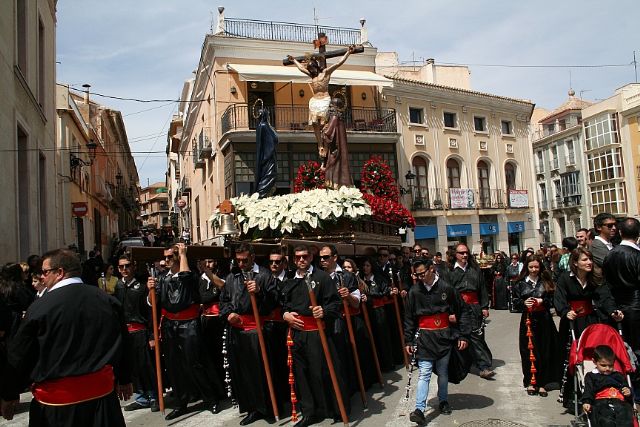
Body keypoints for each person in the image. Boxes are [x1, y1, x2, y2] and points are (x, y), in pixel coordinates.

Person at [0, 249, 132, 426]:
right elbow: (124, 343)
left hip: (59, 409)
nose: (42, 278)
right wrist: (125, 378)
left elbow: (19, 355)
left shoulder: (39, 308)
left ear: (60, 272)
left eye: (45, 272)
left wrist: (9, 395)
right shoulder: (107, 300)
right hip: (100, 401)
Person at [147, 243, 224, 420]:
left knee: (195, 362)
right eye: (165, 257)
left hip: (189, 324)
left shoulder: (190, 274)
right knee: (174, 365)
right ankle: (181, 403)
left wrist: (183, 255)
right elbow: (153, 303)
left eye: (170, 257)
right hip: (169, 325)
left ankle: (210, 398)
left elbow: (185, 278)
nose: (166, 260)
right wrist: (150, 289)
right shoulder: (160, 277)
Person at [281, 245, 346, 427]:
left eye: (305, 256)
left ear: (311, 258)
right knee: (301, 374)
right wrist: (285, 315)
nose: (301, 260)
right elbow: (283, 304)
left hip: (318, 334)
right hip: (297, 334)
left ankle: (334, 409)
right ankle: (309, 412)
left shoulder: (322, 277)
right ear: (294, 260)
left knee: (323, 373)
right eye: (298, 257)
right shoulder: (289, 280)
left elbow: (335, 304)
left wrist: (323, 310)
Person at [554, 247, 623, 409]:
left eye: (590, 259)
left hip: (591, 321)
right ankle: (571, 396)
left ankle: (597, 391)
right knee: (572, 356)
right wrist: (565, 311)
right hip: (572, 321)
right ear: (575, 263)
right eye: (585, 260)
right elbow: (559, 299)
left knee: (592, 354)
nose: (589, 262)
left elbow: (605, 297)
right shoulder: (565, 278)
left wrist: (613, 311)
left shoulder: (596, 278)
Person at [405, 258, 470, 425]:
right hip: (424, 337)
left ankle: (443, 400)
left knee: (443, 372)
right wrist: (408, 340)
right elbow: (409, 318)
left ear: (431, 269)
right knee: (424, 373)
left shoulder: (447, 288)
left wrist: (462, 335)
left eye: (422, 273)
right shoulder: (414, 291)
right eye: (416, 275)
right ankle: (419, 409)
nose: (419, 277)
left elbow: (462, 310)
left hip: (444, 336)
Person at [220, 243, 278, 425]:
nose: (242, 264)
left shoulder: (264, 274)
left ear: (252, 257)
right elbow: (224, 300)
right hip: (237, 331)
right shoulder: (232, 276)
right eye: (238, 261)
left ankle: (267, 408)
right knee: (243, 372)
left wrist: (260, 293)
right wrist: (228, 314)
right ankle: (251, 408)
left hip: (257, 330)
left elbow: (274, 301)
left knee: (262, 371)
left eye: (245, 260)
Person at [288, 46, 355, 156]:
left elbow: (338, 63)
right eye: (310, 69)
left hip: (324, 99)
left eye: (312, 68)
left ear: (316, 67)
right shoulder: (311, 75)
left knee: (323, 123)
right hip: (315, 100)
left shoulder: (326, 73)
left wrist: (348, 52)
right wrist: (294, 60)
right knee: (314, 123)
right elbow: (301, 68)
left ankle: (327, 145)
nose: (311, 70)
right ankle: (320, 145)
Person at [113, 255, 158, 413]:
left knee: (146, 366)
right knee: (132, 367)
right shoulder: (118, 286)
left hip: (140, 331)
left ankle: (153, 396)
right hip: (125, 333)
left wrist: (152, 335)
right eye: (121, 267)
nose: (124, 269)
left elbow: (150, 312)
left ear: (133, 267)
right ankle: (141, 397)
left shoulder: (142, 286)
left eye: (127, 266)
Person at [511, 255, 561, 397]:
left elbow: (552, 300)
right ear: (526, 267)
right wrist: (523, 304)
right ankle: (530, 382)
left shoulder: (546, 282)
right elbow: (514, 302)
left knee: (545, 351)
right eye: (531, 267)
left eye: (536, 267)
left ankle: (543, 383)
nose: (534, 270)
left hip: (544, 320)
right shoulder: (520, 283)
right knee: (529, 352)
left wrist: (542, 301)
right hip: (528, 320)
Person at [448, 243, 495, 379]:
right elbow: (447, 293)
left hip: (474, 307)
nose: (464, 255)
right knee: (460, 337)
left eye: (466, 253)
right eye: (461, 253)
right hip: (457, 308)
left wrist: (484, 306)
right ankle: (462, 364)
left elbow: (482, 289)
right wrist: (450, 312)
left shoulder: (475, 270)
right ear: (455, 255)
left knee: (477, 336)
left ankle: (484, 366)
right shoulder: (449, 272)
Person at [602, 218, 640, 374]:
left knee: (623, 348)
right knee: (636, 349)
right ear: (638, 234)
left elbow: (606, 283)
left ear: (620, 232)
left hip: (617, 307)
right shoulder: (636, 255)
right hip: (636, 306)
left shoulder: (610, 255)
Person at [581, 345, 634, 426]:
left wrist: (628, 391)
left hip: (619, 402)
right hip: (601, 402)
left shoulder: (618, 375)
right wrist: (586, 402)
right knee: (605, 420)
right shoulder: (591, 376)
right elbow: (588, 390)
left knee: (625, 417)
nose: (608, 368)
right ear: (594, 362)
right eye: (603, 365)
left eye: (611, 365)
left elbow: (625, 386)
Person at [360, 257, 395, 372]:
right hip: (367, 313)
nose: (365, 268)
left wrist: (370, 296)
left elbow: (383, 292)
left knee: (382, 337)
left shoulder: (379, 279)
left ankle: (387, 363)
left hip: (378, 311)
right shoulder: (360, 280)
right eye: (364, 266)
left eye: (368, 265)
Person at [321, 96, 353, 188]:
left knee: (333, 166)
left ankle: (334, 185)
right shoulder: (340, 118)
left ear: (334, 107)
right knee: (339, 166)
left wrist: (323, 131)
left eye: (331, 106)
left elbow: (329, 133)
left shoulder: (334, 117)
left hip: (335, 149)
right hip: (339, 148)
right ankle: (341, 184)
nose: (329, 108)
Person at [255, 107, 279, 198]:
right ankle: (262, 193)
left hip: (269, 155)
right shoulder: (263, 126)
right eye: (267, 115)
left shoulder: (264, 126)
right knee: (269, 175)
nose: (268, 116)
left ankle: (266, 193)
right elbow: (273, 140)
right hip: (268, 157)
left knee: (271, 176)